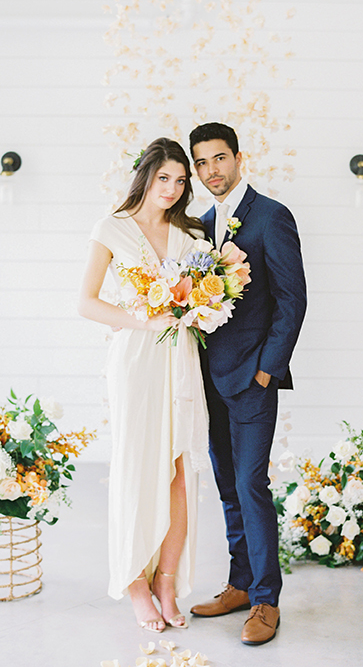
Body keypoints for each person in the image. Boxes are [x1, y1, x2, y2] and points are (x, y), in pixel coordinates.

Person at [78, 138, 209, 633]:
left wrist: (205, 308)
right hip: (136, 360)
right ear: (146, 177)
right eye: (164, 179)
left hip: (181, 359)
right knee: (137, 469)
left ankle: (167, 582)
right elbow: (87, 303)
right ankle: (135, 582)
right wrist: (141, 320)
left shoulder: (192, 235)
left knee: (179, 473)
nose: (172, 189)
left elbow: (204, 300)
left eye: (181, 181)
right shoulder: (111, 227)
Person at [188, 122, 307, 646]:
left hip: (252, 380)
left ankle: (265, 600)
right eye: (201, 163)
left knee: (251, 487)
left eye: (219, 159)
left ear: (239, 158)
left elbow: (292, 300)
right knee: (226, 486)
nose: (211, 170)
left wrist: (267, 369)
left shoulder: (271, 217)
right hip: (208, 380)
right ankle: (238, 583)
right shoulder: (200, 225)